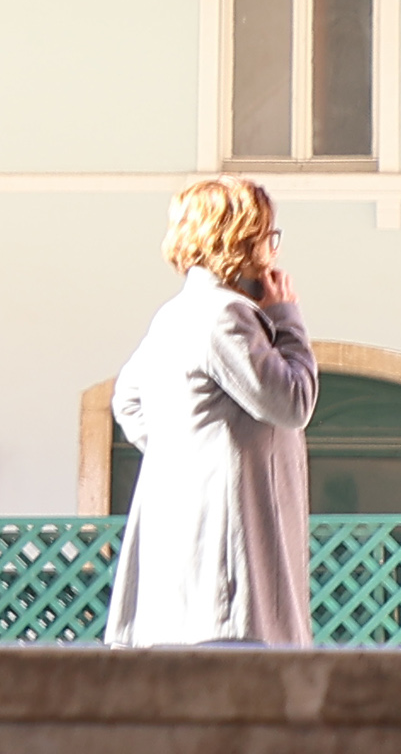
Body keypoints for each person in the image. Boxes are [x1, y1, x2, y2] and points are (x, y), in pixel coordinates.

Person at [104, 176, 318, 648]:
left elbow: (128, 401)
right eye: (268, 235)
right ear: (242, 238)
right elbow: (291, 402)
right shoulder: (226, 315)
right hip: (229, 570)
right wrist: (287, 318)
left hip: (182, 560)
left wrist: (189, 451)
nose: (275, 250)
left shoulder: (174, 314)